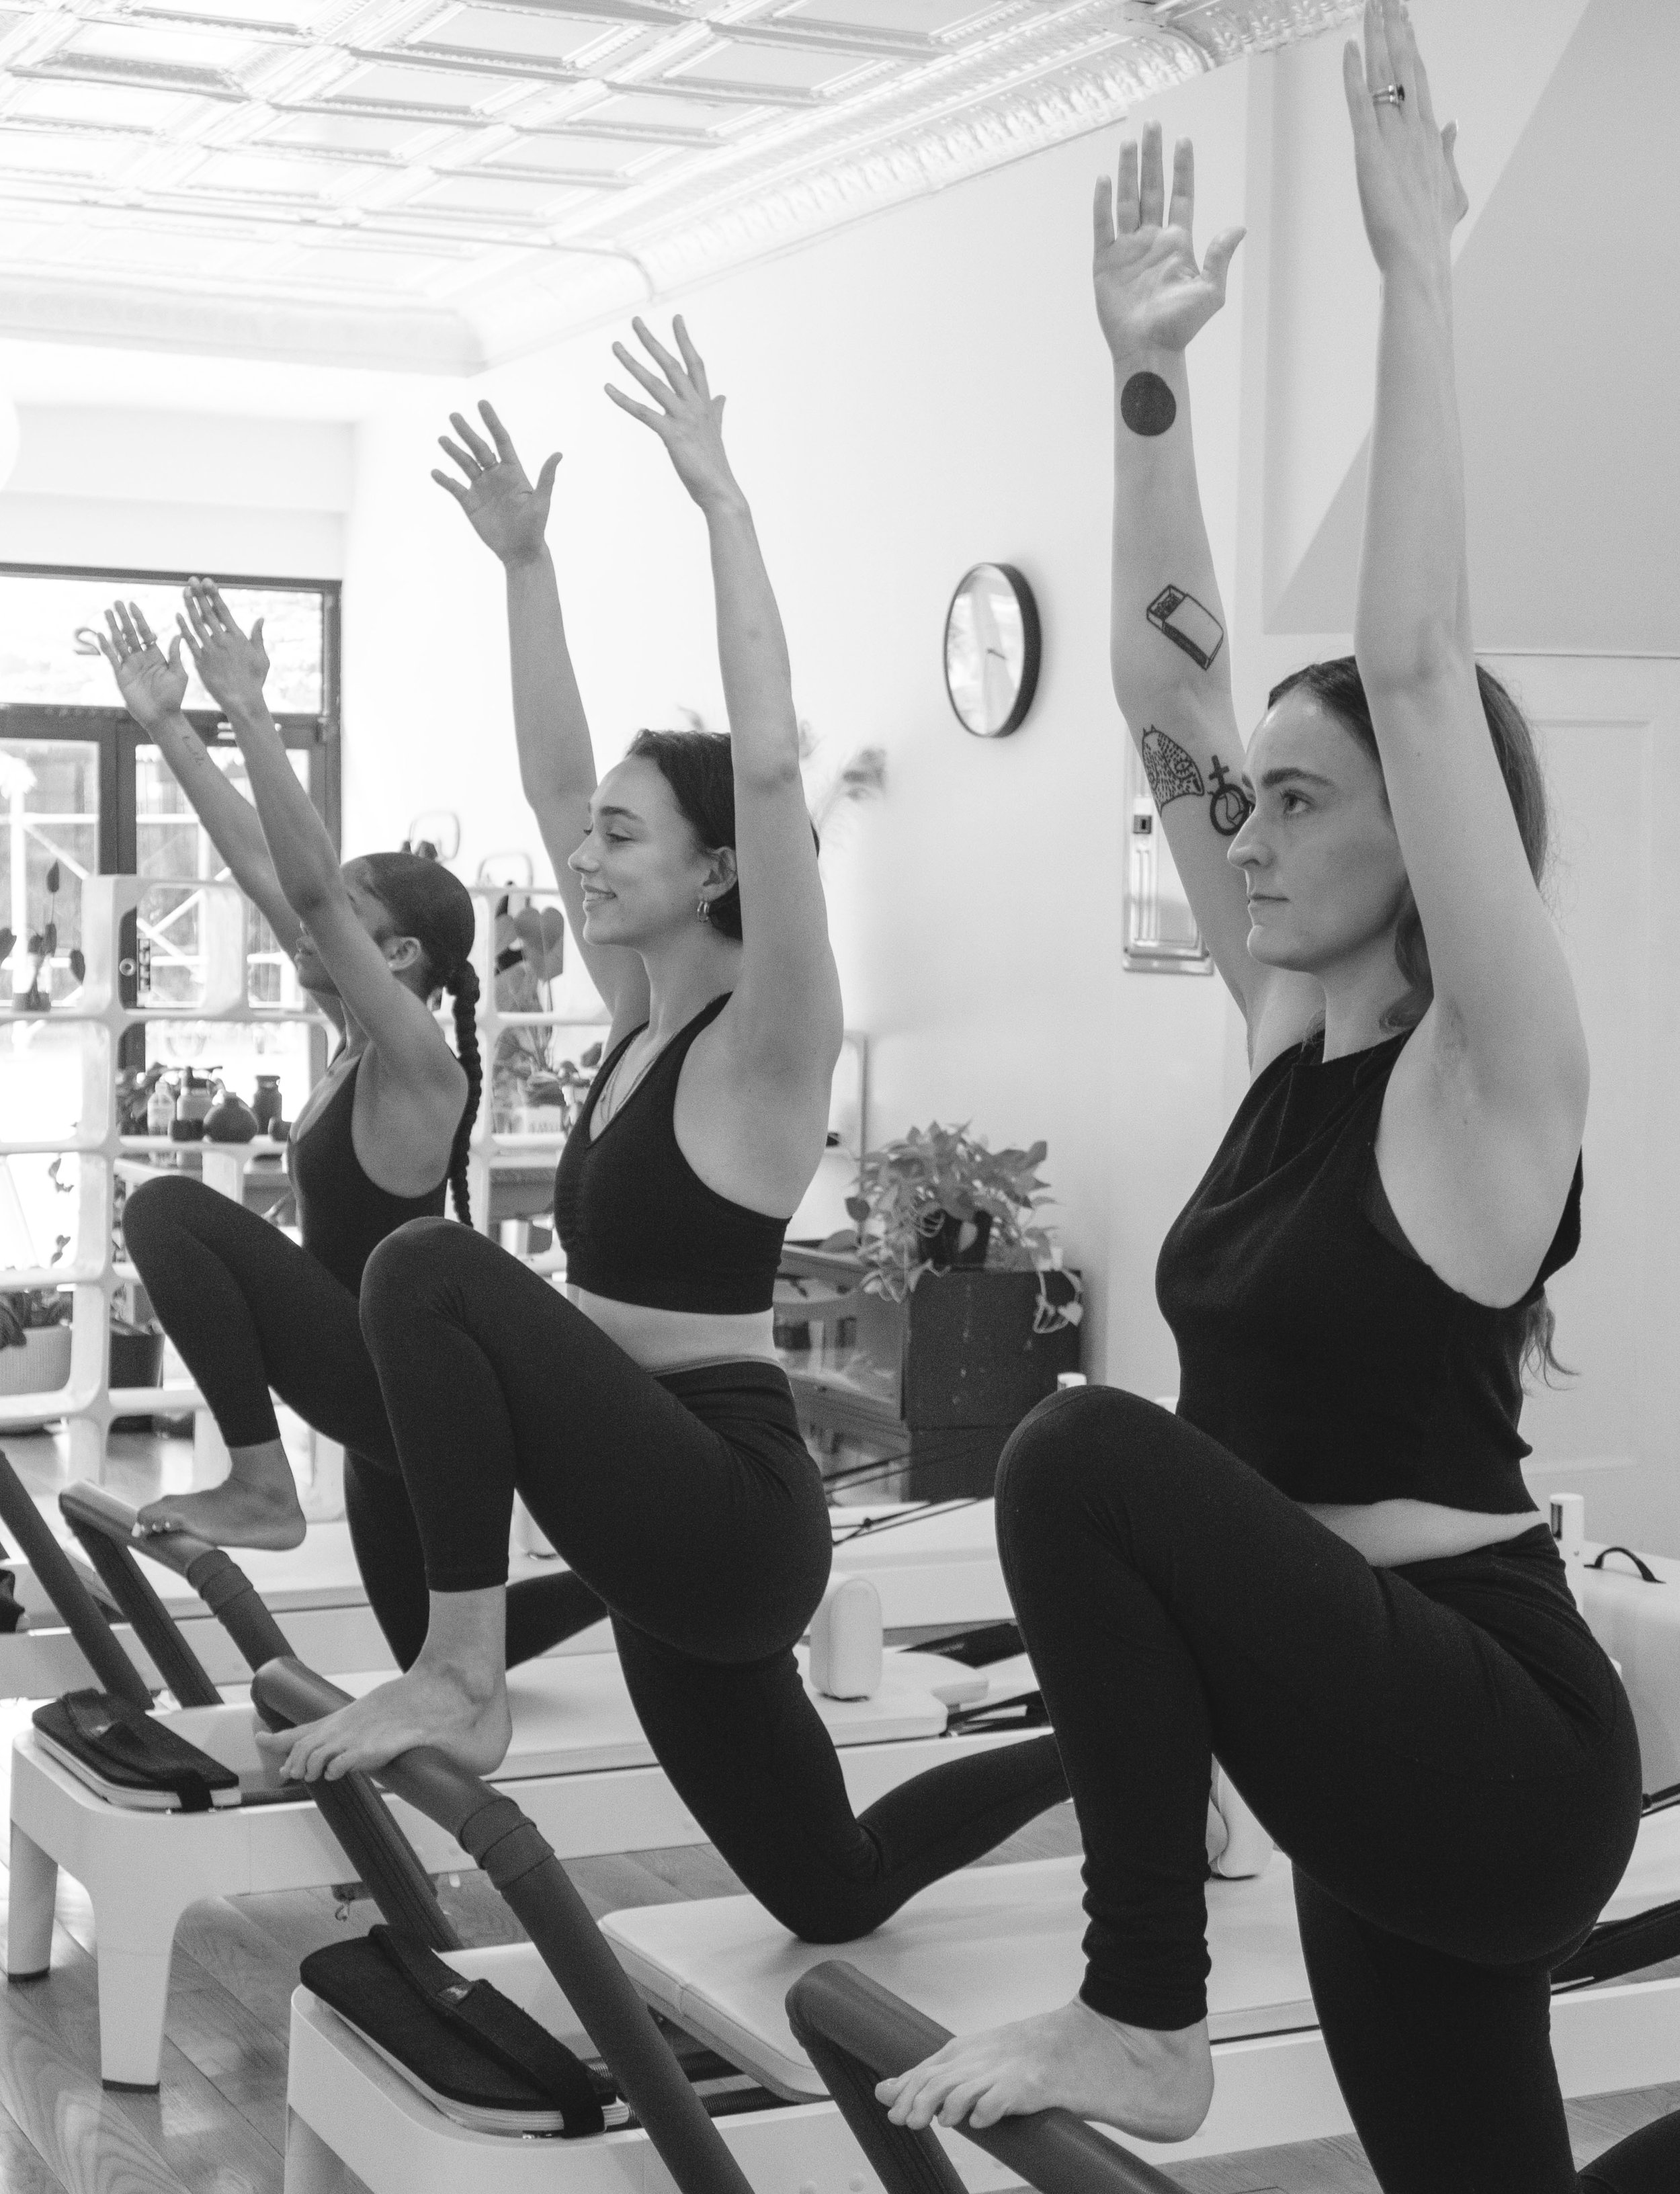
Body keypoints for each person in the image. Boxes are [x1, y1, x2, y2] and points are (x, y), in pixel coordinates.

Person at [877, 9, 1673, 2189]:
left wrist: (1420, 269)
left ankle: (1146, 2013)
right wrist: (1147, 375)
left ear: (1420, 838)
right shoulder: (1280, 1034)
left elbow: (1412, 669)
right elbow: (1166, 684)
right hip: (1359, 1712)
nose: (1243, 825)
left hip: (1492, 1728)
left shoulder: (1493, 1074)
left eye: (1296, 802)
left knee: (1074, 1451)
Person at [259, 318, 1068, 1946]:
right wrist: (527, 564)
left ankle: (462, 1665)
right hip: (647, 1519)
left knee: (423, 1264)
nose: (583, 850)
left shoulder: (766, 1043)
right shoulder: (634, 1022)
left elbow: (763, 766)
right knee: (827, 1890)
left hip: (719, 1501)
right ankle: (1120, 1742)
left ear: (714, 870)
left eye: (625, 835)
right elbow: (557, 765)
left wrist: (718, 501)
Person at [102, 591, 603, 1666]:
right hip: (382, 1385)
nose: (305, 925)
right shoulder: (356, 1043)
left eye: (343, 921)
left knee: (166, 1211)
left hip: (384, 1375)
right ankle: (653, 1586)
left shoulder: (421, 1067)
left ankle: (261, 1479)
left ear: (404, 958)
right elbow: (266, 869)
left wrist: (251, 709)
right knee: (443, 1637)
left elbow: (314, 890)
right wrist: (170, 730)